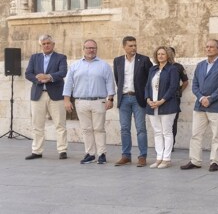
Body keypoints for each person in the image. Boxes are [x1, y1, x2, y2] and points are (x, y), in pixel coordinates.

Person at [180, 39, 218, 171]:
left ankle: (214, 161)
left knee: (216, 136)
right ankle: (195, 160)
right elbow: (195, 85)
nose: (208, 49)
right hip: (200, 106)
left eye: (212, 47)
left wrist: (211, 98)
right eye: (207, 47)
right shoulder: (200, 65)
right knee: (196, 134)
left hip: (217, 106)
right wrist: (201, 97)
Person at [63, 39, 115, 165]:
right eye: (88, 48)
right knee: (86, 129)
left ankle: (102, 154)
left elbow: (110, 83)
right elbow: (69, 84)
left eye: (93, 48)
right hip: (81, 102)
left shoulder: (104, 66)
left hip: (99, 101)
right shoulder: (75, 66)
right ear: (83, 49)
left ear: (96, 49)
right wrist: (67, 100)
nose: (91, 50)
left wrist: (111, 99)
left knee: (99, 129)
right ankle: (90, 154)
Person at [24, 34, 68, 160]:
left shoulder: (61, 57)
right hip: (38, 94)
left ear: (53, 45)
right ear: (41, 45)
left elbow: (63, 72)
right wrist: (38, 79)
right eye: (44, 44)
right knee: (37, 124)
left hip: (56, 95)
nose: (46, 45)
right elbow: (28, 73)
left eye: (48, 43)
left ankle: (62, 150)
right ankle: (37, 151)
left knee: (60, 124)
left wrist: (48, 77)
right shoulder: (34, 57)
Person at [113, 36, 153, 167]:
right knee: (124, 128)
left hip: (138, 98)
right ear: (124, 46)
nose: (133, 48)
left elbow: (150, 80)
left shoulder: (144, 60)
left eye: (135, 45)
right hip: (124, 98)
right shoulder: (117, 61)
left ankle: (142, 156)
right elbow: (118, 79)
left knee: (141, 129)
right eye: (130, 46)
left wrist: (148, 97)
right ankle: (126, 156)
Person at [144, 46, 180, 169]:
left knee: (167, 132)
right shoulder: (152, 69)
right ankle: (159, 157)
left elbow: (173, 87)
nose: (160, 56)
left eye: (163, 54)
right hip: (152, 106)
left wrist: (161, 101)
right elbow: (147, 86)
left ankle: (166, 158)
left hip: (167, 106)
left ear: (168, 55)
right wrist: (148, 99)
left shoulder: (172, 69)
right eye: (158, 54)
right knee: (157, 132)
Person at [170, 47, 189, 151]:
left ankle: (171, 144)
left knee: (173, 121)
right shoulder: (159, 67)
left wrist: (179, 91)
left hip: (174, 98)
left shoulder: (178, 67)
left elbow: (185, 82)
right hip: (161, 99)